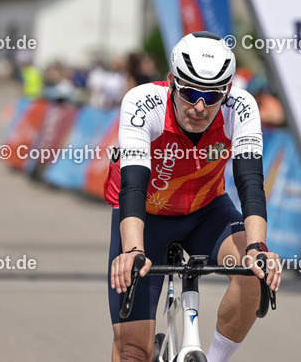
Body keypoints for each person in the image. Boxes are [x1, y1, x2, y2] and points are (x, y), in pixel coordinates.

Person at [106, 32, 281, 362]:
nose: (200, 107)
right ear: (172, 82)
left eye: (212, 96)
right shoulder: (143, 103)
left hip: (205, 210)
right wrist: (132, 249)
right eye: (189, 92)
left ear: (227, 91)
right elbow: (133, 185)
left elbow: (251, 183)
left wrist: (258, 248)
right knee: (133, 350)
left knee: (253, 276)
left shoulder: (241, 107)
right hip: (146, 215)